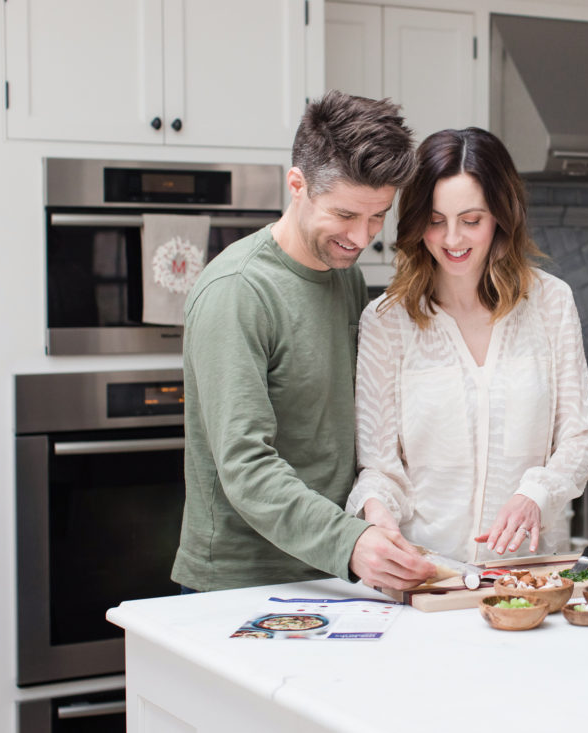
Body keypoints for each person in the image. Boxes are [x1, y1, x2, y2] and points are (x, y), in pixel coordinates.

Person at [171, 91, 435, 592]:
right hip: (241, 581)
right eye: (344, 215)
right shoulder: (238, 292)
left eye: (377, 215)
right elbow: (246, 465)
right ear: (297, 184)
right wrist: (350, 543)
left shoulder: (343, 276)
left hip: (327, 571)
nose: (361, 237)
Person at [346, 127, 588, 563]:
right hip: (428, 573)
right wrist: (376, 511)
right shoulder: (387, 322)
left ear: (501, 215)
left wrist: (534, 494)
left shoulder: (550, 303)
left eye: (471, 220)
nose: (452, 240)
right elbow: (380, 467)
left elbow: (579, 437)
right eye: (435, 220)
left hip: (531, 573)